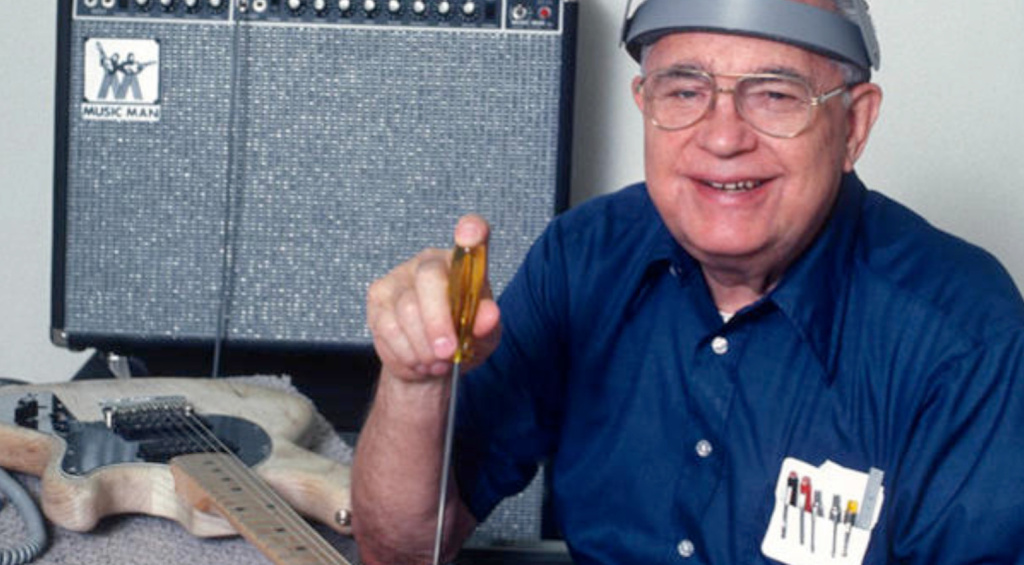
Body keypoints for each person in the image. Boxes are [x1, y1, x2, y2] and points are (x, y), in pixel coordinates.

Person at [351, 0, 1024, 563]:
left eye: (774, 94)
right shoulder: (581, 259)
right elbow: (404, 550)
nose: (723, 136)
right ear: (645, 103)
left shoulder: (967, 336)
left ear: (854, 124)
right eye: (684, 90)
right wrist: (416, 384)